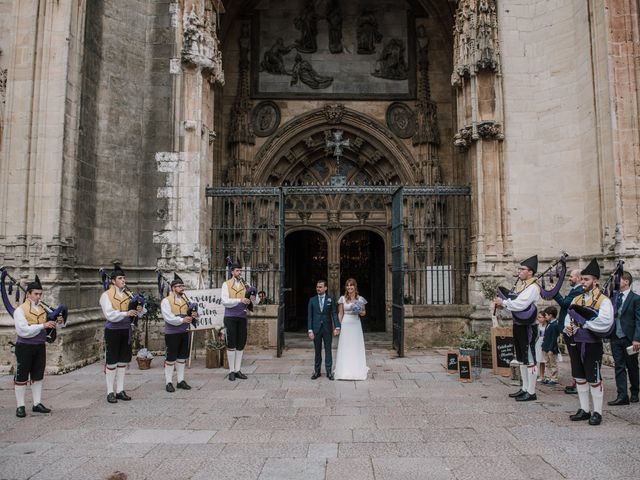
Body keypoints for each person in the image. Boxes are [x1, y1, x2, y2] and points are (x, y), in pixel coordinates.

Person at [564, 258, 614, 426]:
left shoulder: (603, 300)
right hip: (576, 343)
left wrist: (585, 323)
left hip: (592, 344)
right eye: (583, 279)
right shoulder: (577, 299)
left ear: (595, 281)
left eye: (587, 279)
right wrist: (568, 328)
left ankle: (597, 412)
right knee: (579, 376)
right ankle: (584, 409)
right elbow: (568, 317)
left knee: (593, 377)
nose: (583, 282)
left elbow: (605, 322)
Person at [494, 255, 541, 402]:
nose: (519, 271)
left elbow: (521, 304)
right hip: (519, 325)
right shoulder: (523, 286)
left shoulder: (533, 287)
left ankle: (532, 392)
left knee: (530, 358)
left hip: (528, 327)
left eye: (523, 269)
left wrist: (504, 302)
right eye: (519, 268)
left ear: (531, 272)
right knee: (521, 358)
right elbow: (515, 301)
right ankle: (524, 388)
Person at [13, 275, 59, 418]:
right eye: (35, 294)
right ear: (28, 294)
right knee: (21, 377)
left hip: (39, 346)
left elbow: (54, 326)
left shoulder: (44, 309)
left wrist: (59, 320)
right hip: (25, 346)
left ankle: (37, 403)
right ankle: (20, 406)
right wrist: (43, 325)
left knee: (37, 375)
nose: (38, 297)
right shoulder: (20, 310)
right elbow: (23, 330)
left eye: (40, 294)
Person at [99, 264, 145, 403]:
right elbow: (110, 315)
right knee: (112, 361)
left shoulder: (129, 294)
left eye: (124, 278)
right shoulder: (106, 295)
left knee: (122, 361)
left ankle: (120, 390)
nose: (123, 280)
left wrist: (140, 309)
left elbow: (142, 312)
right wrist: (126, 313)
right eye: (120, 278)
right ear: (113, 281)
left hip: (126, 330)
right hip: (113, 330)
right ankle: (110, 392)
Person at [607, 271, 640, 405]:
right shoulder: (613, 297)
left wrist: (637, 338)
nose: (615, 283)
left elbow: (639, 320)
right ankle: (622, 395)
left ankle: (635, 391)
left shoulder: (636, 299)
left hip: (629, 337)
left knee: (632, 366)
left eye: (618, 280)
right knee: (619, 366)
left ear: (626, 281)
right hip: (615, 336)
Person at [160, 274, 196, 392]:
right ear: (173, 288)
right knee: (170, 358)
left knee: (182, 357)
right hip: (172, 333)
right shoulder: (166, 301)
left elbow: (191, 313)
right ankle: (168, 382)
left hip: (184, 332)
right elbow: (168, 318)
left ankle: (180, 381)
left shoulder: (186, 300)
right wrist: (182, 320)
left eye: (182, 286)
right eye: (179, 286)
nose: (182, 288)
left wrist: (194, 315)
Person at [221, 263, 255, 381]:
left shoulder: (246, 285)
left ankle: (237, 370)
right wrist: (240, 300)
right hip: (230, 317)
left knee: (241, 343)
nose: (239, 273)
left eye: (240, 270)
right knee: (231, 344)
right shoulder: (226, 284)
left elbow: (255, 302)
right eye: (237, 270)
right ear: (232, 272)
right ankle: (231, 371)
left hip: (242, 317)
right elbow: (225, 301)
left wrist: (254, 298)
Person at [552, 268, 584, 394]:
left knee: (576, 356)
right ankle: (576, 381)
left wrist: (555, 292)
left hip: (573, 328)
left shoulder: (578, 290)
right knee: (574, 356)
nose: (569, 278)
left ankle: (578, 382)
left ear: (578, 278)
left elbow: (565, 303)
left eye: (571, 276)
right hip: (568, 327)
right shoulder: (574, 290)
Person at [334, 278, 369, 380]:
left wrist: (359, 311)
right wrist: (338, 326)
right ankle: (344, 370)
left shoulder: (360, 299)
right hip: (346, 324)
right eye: (347, 285)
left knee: (355, 346)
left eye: (351, 285)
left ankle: (356, 370)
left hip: (356, 324)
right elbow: (340, 313)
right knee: (346, 346)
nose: (349, 287)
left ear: (355, 287)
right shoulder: (342, 299)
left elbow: (364, 313)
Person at [307, 280, 339, 380]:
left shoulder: (331, 299)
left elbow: (334, 313)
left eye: (320, 287)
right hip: (316, 329)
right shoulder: (312, 300)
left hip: (327, 328)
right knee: (317, 351)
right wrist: (310, 330)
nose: (318, 289)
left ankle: (329, 372)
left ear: (325, 288)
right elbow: (310, 316)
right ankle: (317, 372)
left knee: (328, 350)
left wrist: (337, 327)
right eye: (317, 287)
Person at [541, 306, 560, 385]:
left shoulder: (555, 325)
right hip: (546, 347)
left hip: (551, 348)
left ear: (551, 315)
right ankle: (548, 377)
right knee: (547, 363)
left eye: (546, 315)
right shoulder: (549, 324)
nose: (545, 317)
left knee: (553, 364)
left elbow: (554, 338)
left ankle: (554, 378)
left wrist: (551, 349)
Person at [535, 311, 546, 382]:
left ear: (545, 318)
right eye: (538, 317)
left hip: (544, 343)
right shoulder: (537, 325)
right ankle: (535, 373)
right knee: (537, 359)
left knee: (543, 360)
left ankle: (542, 375)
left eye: (540, 317)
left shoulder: (547, 326)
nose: (538, 318)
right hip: (538, 343)